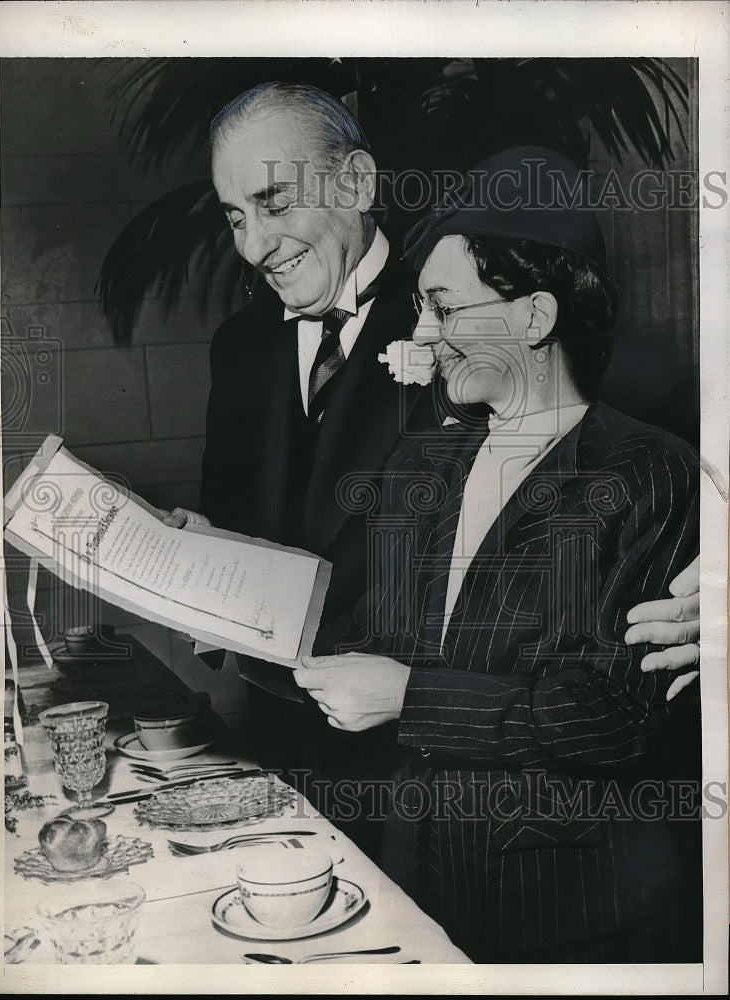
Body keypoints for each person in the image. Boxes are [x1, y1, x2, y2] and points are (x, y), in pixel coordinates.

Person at [164, 83, 699, 855]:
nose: (252, 247)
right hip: (313, 755)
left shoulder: (486, 292)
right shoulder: (244, 347)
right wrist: (203, 566)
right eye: (235, 217)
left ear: (354, 183)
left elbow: (627, 462)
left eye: (274, 202)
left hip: (517, 826)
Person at [294, 147, 701, 962]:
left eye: (444, 309)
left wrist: (410, 698)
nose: (423, 336)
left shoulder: (645, 472)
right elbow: (367, 637)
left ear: (534, 318)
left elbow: (612, 717)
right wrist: (214, 584)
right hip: (420, 885)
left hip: (573, 915)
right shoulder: (424, 464)